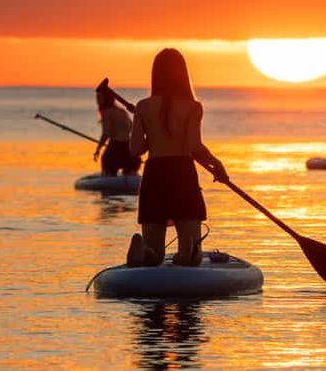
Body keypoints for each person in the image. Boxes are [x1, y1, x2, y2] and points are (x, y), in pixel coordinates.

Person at [126, 48, 228, 267]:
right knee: (192, 258)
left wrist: (152, 137)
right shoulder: (193, 107)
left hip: (155, 175)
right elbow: (194, 146)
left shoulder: (143, 107)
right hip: (182, 175)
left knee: (155, 255)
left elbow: (135, 150)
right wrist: (217, 163)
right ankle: (188, 252)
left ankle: (144, 251)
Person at [94, 88, 141, 176]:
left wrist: (98, 149)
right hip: (129, 148)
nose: (97, 100)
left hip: (115, 149)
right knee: (129, 171)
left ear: (105, 98)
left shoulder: (106, 112)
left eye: (99, 97)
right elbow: (131, 127)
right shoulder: (122, 111)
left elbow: (106, 133)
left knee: (107, 164)